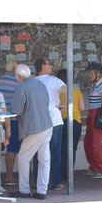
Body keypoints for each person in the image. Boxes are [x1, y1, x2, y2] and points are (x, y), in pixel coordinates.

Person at [9, 64, 53, 199]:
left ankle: (24, 189)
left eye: (16, 76)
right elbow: (46, 102)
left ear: (19, 76)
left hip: (34, 127)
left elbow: (16, 110)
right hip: (47, 124)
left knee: (23, 157)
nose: (15, 78)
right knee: (44, 159)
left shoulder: (22, 87)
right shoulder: (39, 84)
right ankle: (42, 191)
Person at [34, 58, 67, 190]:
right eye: (49, 64)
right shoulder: (54, 80)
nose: (51, 66)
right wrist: (65, 104)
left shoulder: (31, 82)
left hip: (38, 121)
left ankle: (39, 181)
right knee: (55, 152)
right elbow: (66, 89)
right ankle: (55, 181)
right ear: (43, 67)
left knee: (38, 152)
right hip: (54, 119)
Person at [0, 59, 21, 186]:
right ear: (15, 70)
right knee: (12, 148)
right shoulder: (17, 82)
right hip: (12, 119)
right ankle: (9, 176)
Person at [56, 69, 85, 185]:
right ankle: (69, 176)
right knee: (72, 149)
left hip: (61, 122)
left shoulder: (57, 91)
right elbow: (82, 108)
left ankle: (61, 176)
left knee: (61, 150)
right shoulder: (75, 90)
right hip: (75, 121)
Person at [84, 62, 102, 179]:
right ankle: (93, 166)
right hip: (91, 113)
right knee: (88, 141)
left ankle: (101, 169)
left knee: (96, 143)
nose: (89, 75)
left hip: (97, 113)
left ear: (97, 74)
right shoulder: (94, 85)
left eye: (91, 73)